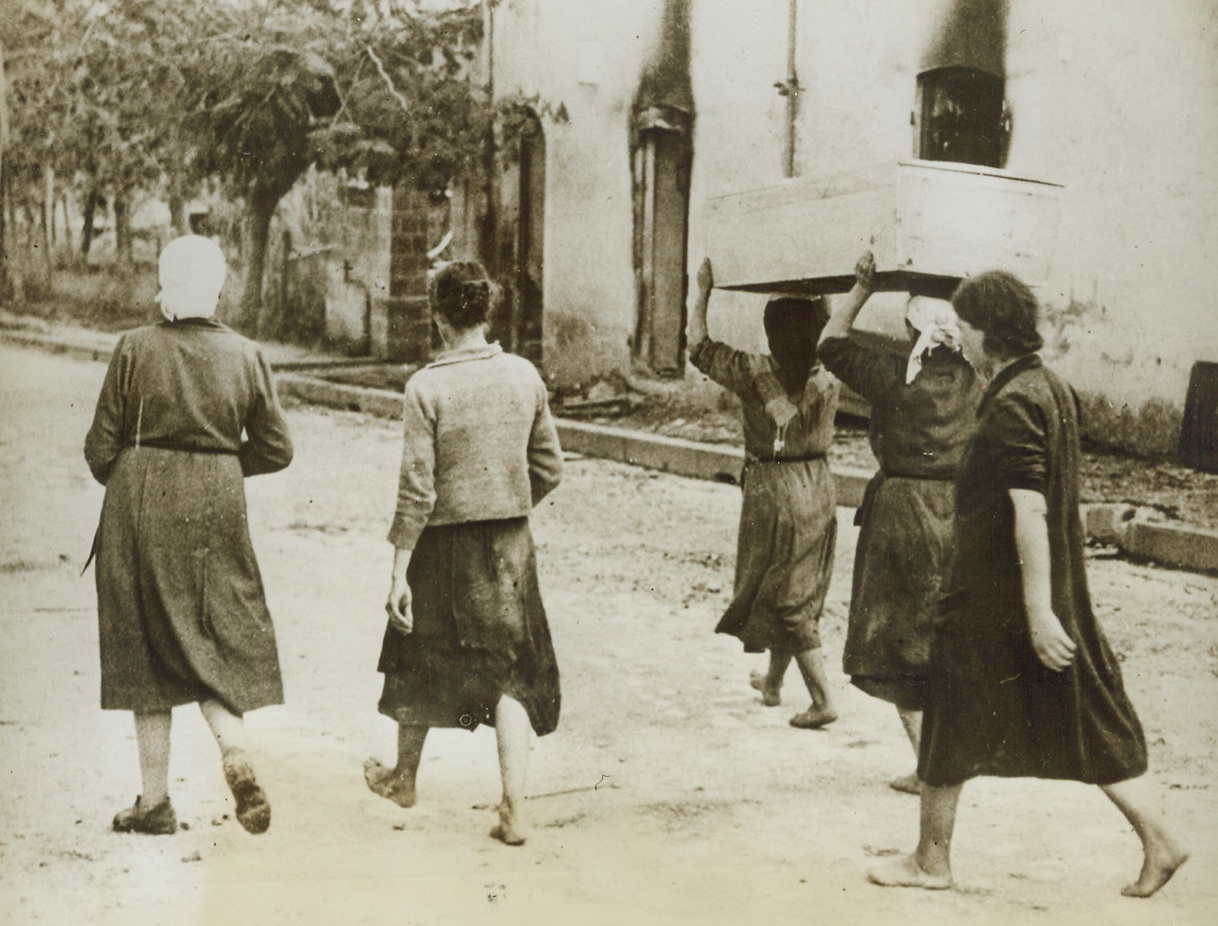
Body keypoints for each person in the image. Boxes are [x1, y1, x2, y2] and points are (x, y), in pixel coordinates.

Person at [868, 271, 1188, 896]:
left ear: (988, 332)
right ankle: (1161, 838)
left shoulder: (1016, 401)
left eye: (963, 329)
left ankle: (931, 863)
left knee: (949, 719)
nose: (958, 341)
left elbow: (1030, 508)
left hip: (998, 599)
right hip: (1035, 592)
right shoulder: (1049, 385)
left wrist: (1038, 612)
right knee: (1080, 716)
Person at [84, 234, 293, 836]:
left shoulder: (132, 348)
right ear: (219, 287)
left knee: (145, 642)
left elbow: (100, 446)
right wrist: (222, 463)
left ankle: (153, 802)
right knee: (212, 630)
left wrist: (133, 479)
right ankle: (234, 750)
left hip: (140, 506)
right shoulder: (248, 354)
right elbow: (278, 450)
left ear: (163, 282)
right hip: (217, 505)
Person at [365, 259, 563, 846]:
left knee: (414, 656)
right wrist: (506, 500)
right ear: (486, 310)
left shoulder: (426, 387)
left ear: (437, 316)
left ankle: (404, 778)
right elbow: (550, 468)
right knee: (511, 673)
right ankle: (514, 811)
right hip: (510, 547)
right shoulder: (524, 375)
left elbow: (417, 491)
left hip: (441, 547)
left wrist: (398, 570)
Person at [817, 253, 982, 793]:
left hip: (903, 515)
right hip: (959, 513)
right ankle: (945, 757)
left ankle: (930, 767)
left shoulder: (894, 376)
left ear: (911, 326)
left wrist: (861, 287)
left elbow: (832, 343)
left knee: (900, 645)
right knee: (943, 637)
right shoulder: (973, 381)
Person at [689, 258, 841, 729]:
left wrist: (704, 290)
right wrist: (822, 283)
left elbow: (698, 345)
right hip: (819, 484)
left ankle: (822, 700)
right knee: (794, 586)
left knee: (783, 595)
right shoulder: (829, 370)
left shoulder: (754, 372)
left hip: (773, 489)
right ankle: (773, 684)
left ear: (771, 330)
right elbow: (830, 325)